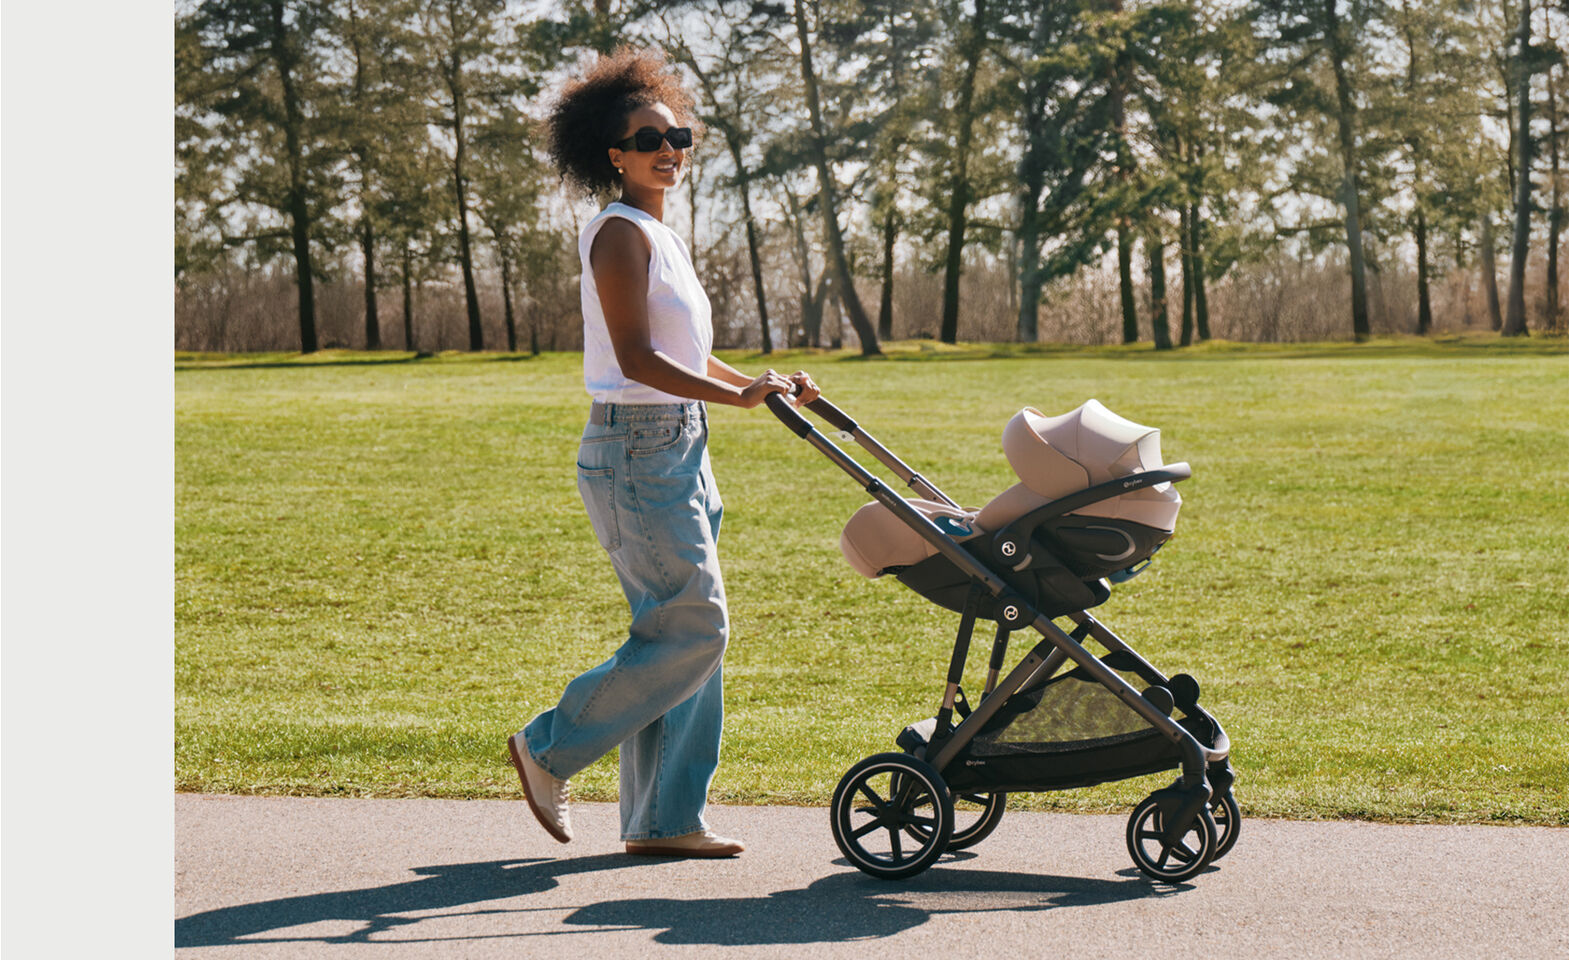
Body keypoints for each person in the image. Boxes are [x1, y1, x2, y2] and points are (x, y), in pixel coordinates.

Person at [508, 48, 819, 859]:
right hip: (636, 445)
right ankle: (547, 748)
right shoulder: (617, 234)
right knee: (694, 627)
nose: (669, 151)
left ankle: (664, 819)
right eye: (650, 139)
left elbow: (684, 353)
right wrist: (735, 397)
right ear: (614, 154)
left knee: (685, 636)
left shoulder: (658, 234)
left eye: (679, 136)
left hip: (678, 442)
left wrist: (758, 383)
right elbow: (638, 359)